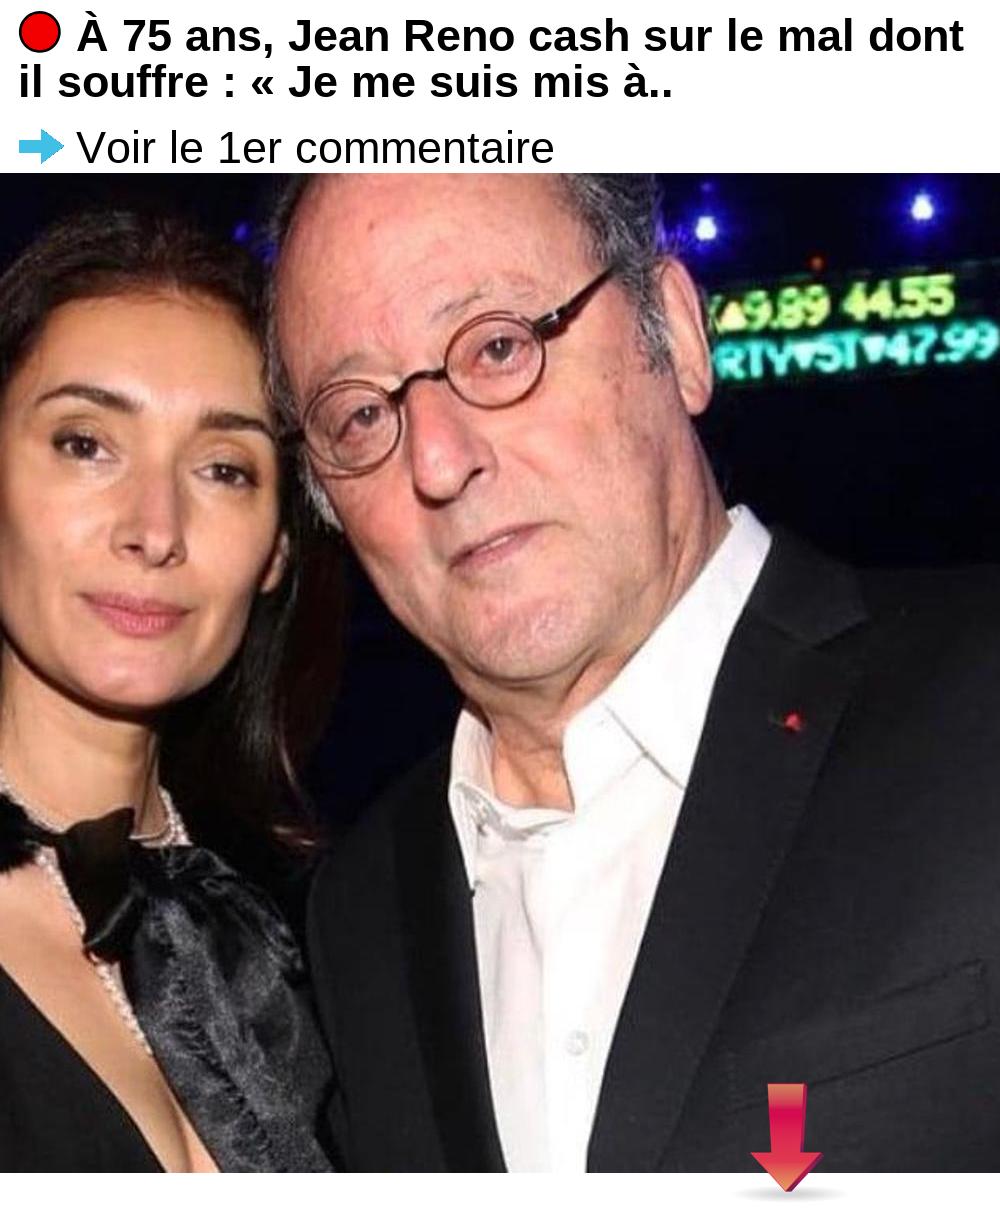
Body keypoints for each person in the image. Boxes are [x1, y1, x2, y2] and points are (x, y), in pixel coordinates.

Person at [273, 173, 1000, 1173]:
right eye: (360, 415)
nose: (436, 460)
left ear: (678, 335)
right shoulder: (356, 914)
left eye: (498, 347)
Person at [0, 210, 334, 1173]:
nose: (156, 528)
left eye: (225, 469)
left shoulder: (324, 929)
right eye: (85, 444)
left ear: (277, 548)